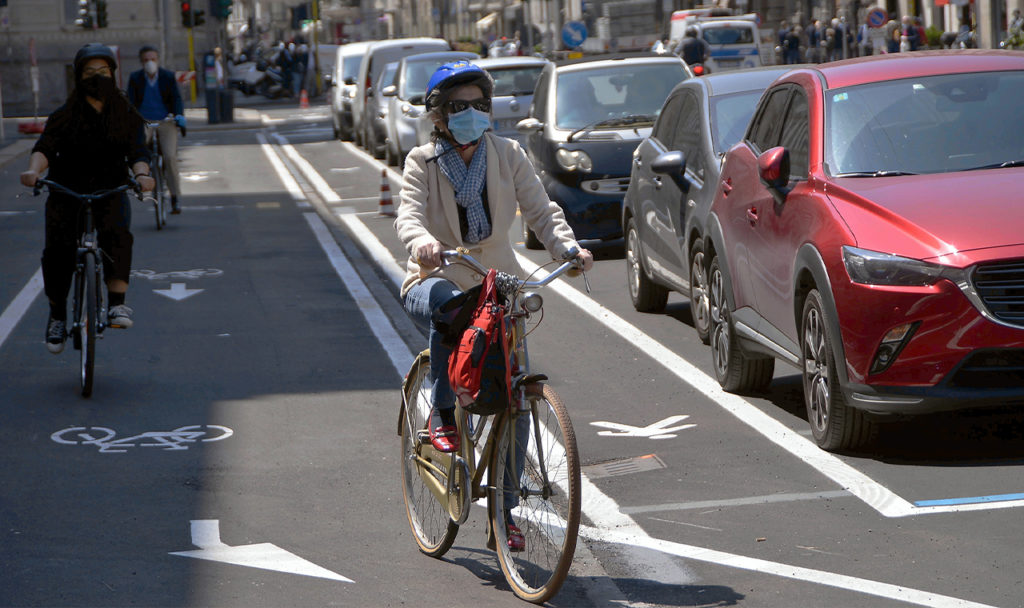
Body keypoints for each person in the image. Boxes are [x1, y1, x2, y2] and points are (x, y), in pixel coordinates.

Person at [395, 61, 594, 549]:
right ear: (440, 116)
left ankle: (503, 517)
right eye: (460, 108)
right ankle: (442, 416)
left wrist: (567, 248)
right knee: (448, 303)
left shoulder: (508, 154)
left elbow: (542, 211)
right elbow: (408, 216)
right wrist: (421, 242)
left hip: (497, 284)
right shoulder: (421, 161)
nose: (471, 115)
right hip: (436, 276)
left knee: (516, 398)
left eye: (479, 106)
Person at [20, 43, 154, 353]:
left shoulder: (125, 114)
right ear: (79, 78)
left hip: (111, 189)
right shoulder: (64, 115)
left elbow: (138, 151)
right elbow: (44, 148)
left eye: (103, 72)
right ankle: (56, 315)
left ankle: (117, 304)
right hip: (67, 191)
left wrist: (143, 175)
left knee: (118, 235)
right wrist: (32, 171)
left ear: (113, 75)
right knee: (57, 251)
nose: (97, 78)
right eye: (90, 73)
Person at [126, 44, 185, 214]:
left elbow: (176, 98)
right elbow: (130, 101)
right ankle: (143, 178)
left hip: (165, 120)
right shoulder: (136, 78)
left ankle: (175, 197)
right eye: (146, 60)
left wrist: (179, 115)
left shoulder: (167, 76)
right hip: (144, 121)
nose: (150, 63)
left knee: (170, 156)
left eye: (152, 59)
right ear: (141, 62)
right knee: (138, 151)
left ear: (158, 60)